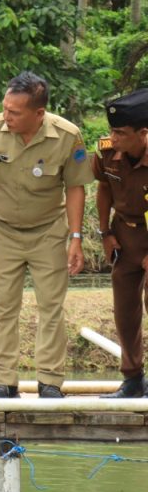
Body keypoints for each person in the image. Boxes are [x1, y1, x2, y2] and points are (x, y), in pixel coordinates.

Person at [0, 72, 93, 399]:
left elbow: (75, 188)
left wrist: (75, 238)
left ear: (39, 113)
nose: (7, 117)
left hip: (48, 232)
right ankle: (4, 380)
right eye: (5, 108)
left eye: (15, 112)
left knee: (51, 306)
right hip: (3, 230)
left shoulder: (67, 136)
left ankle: (50, 381)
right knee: (4, 306)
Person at [93, 89, 148, 398]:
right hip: (124, 237)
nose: (113, 138)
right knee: (124, 310)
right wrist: (105, 233)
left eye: (121, 133)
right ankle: (133, 380)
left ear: (143, 134)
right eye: (111, 130)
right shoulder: (106, 152)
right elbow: (104, 188)